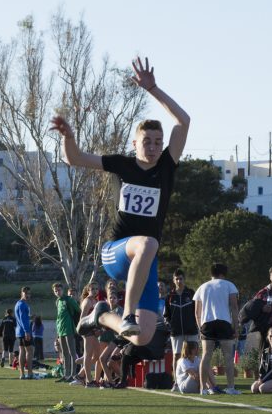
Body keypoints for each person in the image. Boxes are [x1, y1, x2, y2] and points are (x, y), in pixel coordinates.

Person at [53, 56, 190, 346]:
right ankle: (126, 313)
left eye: (157, 141)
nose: (153, 147)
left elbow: (184, 121)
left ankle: (101, 316)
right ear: (134, 144)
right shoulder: (121, 165)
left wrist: (152, 89)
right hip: (116, 251)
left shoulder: (166, 166)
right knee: (149, 242)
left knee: (142, 338)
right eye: (147, 141)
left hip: (145, 260)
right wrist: (68, 136)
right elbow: (74, 158)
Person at [194, 262, 241, 395]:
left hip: (206, 323)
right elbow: (234, 307)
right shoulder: (229, 285)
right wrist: (235, 327)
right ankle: (231, 387)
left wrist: (200, 328)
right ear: (223, 274)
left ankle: (203, 389)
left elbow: (197, 312)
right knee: (228, 356)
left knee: (205, 356)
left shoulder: (202, 287)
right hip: (224, 322)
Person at [165, 269, 198, 370]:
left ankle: (198, 381)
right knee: (176, 356)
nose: (179, 281)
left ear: (184, 279)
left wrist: (198, 325)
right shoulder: (170, 296)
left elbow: (197, 311)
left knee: (193, 355)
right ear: (174, 280)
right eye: (177, 279)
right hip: (176, 332)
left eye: (181, 279)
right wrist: (169, 324)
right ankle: (176, 382)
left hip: (191, 330)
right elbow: (166, 315)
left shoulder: (191, 293)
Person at [53, 282, 82, 383]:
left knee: (72, 353)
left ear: (63, 290)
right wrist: (57, 332)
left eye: (59, 290)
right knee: (64, 353)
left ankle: (73, 375)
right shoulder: (58, 301)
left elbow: (79, 310)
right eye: (55, 291)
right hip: (60, 330)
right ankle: (66, 375)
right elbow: (59, 317)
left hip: (69, 329)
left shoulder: (68, 299)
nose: (57, 292)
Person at [14, 286, 34, 380]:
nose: (28, 295)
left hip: (19, 331)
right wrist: (27, 331)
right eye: (26, 293)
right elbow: (22, 319)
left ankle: (22, 374)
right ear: (21, 293)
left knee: (22, 351)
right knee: (29, 351)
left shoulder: (18, 304)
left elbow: (22, 318)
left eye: (29, 293)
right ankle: (29, 373)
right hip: (24, 331)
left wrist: (30, 318)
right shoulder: (23, 305)